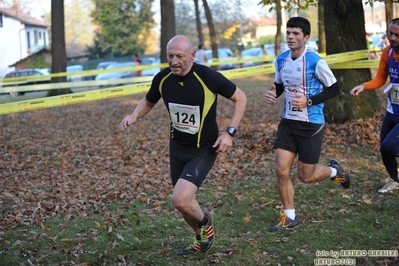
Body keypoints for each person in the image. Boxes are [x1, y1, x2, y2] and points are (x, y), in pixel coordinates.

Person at [119, 35, 247, 256]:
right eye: (170, 56)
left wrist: (230, 132)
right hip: (177, 148)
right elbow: (148, 100)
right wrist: (134, 115)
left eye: (179, 56)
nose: (174, 61)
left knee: (180, 199)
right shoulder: (163, 78)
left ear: (192, 55)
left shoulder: (207, 76)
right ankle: (201, 238)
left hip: (204, 148)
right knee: (183, 203)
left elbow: (241, 98)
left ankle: (206, 221)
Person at [264, 17, 351, 232]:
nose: (291, 37)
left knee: (305, 176)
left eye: (296, 33)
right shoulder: (281, 59)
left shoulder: (315, 61)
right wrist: (274, 94)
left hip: (311, 124)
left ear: (306, 37)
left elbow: (335, 89)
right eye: (289, 33)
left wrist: (309, 101)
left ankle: (334, 171)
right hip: (288, 122)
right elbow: (279, 84)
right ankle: (290, 217)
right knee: (281, 170)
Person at [350, 18, 399, 193]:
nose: (393, 38)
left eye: (397, 35)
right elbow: (380, 78)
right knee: (384, 149)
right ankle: (395, 180)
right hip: (392, 109)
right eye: (390, 33)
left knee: (390, 146)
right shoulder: (387, 52)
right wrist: (363, 86)